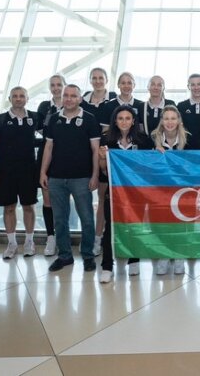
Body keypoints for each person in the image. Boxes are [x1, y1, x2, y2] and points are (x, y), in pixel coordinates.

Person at [40, 84, 101, 273]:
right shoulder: (54, 119)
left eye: (73, 96)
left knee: (87, 219)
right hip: (56, 178)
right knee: (60, 219)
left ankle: (88, 255)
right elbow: (48, 148)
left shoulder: (90, 119)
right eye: (66, 95)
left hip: (81, 178)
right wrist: (43, 172)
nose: (68, 99)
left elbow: (95, 150)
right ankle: (65, 255)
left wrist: (95, 175)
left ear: (80, 99)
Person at [98, 105, 154, 283]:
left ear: (133, 121)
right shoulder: (106, 139)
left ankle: (134, 260)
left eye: (128, 118)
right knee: (110, 228)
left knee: (135, 226)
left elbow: (149, 167)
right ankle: (107, 266)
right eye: (120, 118)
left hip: (136, 192)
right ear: (115, 121)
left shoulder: (143, 140)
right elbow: (104, 171)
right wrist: (102, 158)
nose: (124, 122)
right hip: (114, 192)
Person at [0, 87, 40, 260]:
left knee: (28, 206)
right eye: (15, 96)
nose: (18, 99)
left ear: (27, 98)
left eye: (21, 96)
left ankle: (29, 242)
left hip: (28, 170)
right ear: (10, 99)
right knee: (9, 207)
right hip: (5, 171)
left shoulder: (34, 117)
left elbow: (50, 138)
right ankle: (12, 243)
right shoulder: (0, 119)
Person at [152, 105, 191, 275]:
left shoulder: (188, 139)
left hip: (181, 188)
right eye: (166, 118)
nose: (170, 122)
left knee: (180, 222)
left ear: (179, 120)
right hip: (159, 189)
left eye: (173, 118)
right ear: (162, 121)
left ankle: (179, 255)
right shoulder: (152, 138)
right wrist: (153, 154)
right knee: (163, 222)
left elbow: (193, 164)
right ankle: (164, 255)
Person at [81, 68, 116, 258]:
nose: (97, 81)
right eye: (94, 78)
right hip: (85, 154)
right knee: (96, 200)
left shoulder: (114, 100)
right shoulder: (82, 101)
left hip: (106, 154)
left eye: (100, 78)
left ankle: (111, 239)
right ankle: (95, 239)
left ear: (106, 80)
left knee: (107, 199)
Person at [36, 74, 65, 256]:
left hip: (67, 157)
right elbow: (42, 130)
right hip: (46, 155)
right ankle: (51, 237)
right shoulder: (44, 107)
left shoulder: (74, 105)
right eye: (53, 85)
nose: (56, 88)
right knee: (47, 200)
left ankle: (63, 237)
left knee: (65, 200)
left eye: (59, 85)